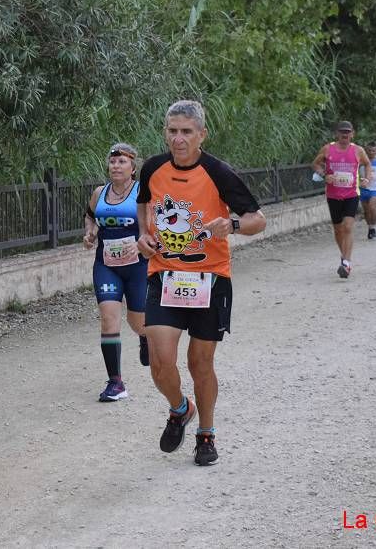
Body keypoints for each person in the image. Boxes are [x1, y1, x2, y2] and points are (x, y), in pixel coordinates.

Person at [135, 100, 266, 466]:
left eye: (186, 132)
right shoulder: (152, 168)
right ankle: (180, 409)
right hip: (164, 274)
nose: (178, 139)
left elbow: (259, 220)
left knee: (199, 362)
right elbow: (144, 205)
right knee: (161, 361)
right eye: (173, 131)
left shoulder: (218, 172)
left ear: (201, 135)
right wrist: (144, 236)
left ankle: (205, 433)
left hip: (211, 279)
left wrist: (234, 225)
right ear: (165, 132)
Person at [83, 143, 150, 402]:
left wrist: (147, 241)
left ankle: (145, 337)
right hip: (106, 266)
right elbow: (90, 216)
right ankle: (116, 383)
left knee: (137, 322)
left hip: (137, 267)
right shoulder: (99, 192)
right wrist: (90, 233)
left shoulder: (142, 193)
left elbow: (154, 224)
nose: (116, 166)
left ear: (133, 168)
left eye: (122, 162)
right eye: (112, 162)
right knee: (108, 318)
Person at [310, 121, 372, 277]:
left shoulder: (358, 150)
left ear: (352, 133)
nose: (345, 135)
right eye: (342, 132)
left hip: (351, 194)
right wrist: (325, 175)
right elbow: (315, 164)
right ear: (337, 133)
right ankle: (344, 256)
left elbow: (368, 164)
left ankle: (346, 263)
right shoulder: (327, 149)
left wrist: (366, 178)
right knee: (338, 229)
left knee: (348, 227)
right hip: (333, 195)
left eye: (348, 132)